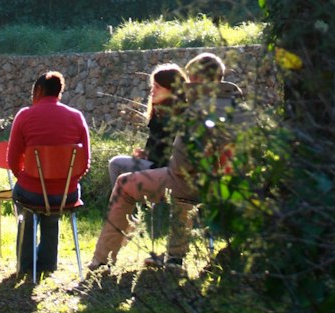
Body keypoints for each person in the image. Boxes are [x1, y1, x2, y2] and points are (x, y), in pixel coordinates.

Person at [86, 52, 241, 273]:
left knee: (124, 183)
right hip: (212, 183)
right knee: (179, 191)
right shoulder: (229, 102)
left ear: (197, 78)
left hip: (184, 179)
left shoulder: (203, 104)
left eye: (190, 77)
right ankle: (173, 259)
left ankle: (102, 261)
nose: (187, 83)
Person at [7, 70, 91, 280]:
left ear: (38, 90)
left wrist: (25, 178)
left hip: (32, 191)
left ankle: (26, 264)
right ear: (59, 93)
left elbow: (12, 160)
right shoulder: (76, 116)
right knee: (52, 205)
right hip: (66, 193)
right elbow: (84, 163)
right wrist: (66, 182)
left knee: (27, 204)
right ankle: (48, 262)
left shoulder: (25, 116)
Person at [107, 63, 187, 189]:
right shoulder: (160, 111)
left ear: (172, 90)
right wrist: (146, 153)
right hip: (155, 165)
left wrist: (150, 156)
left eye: (157, 87)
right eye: (152, 86)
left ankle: (118, 205)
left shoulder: (182, 116)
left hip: (167, 171)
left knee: (115, 164)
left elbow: (172, 153)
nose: (152, 91)